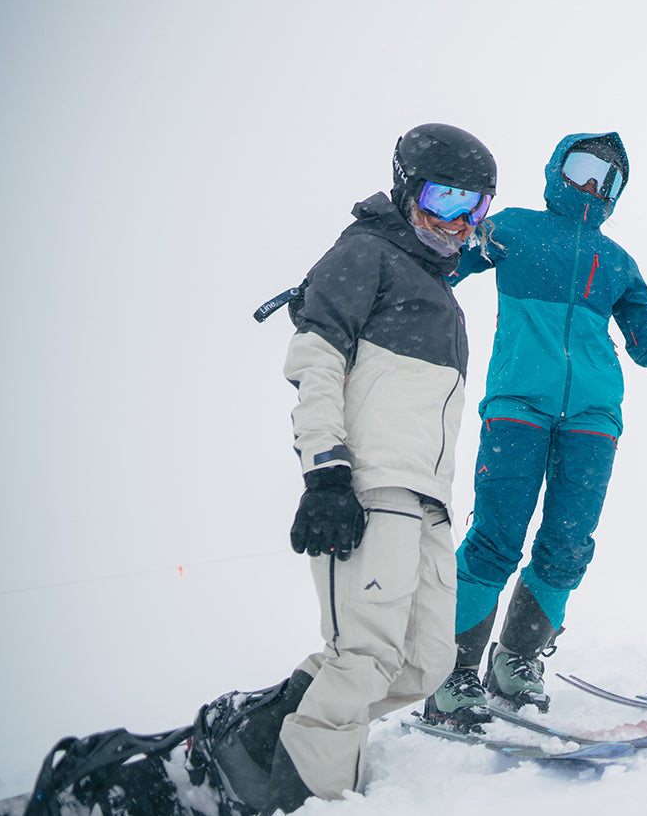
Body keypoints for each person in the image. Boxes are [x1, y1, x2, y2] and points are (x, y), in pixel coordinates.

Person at [194, 123, 498, 812]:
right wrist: (327, 473)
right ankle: (307, 795)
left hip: (428, 502)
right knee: (361, 659)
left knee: (424, 662)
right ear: (405, 187)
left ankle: (252, 742)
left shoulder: (437, 288)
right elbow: (315, 364)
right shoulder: (366, 254)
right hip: (370, 488)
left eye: (474, 208)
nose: (459, 222)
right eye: (445, 199)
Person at [421, 131, 647, 728]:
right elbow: (435, 269)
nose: (591, 186)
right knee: (497, 538)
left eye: (608, 180)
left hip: (594, 420)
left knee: (569, 545)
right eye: (582, 168)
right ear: (556, 168)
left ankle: (515, 662)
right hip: (517, 407)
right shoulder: (512, 230)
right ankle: (452, 673)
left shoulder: (620, 264)